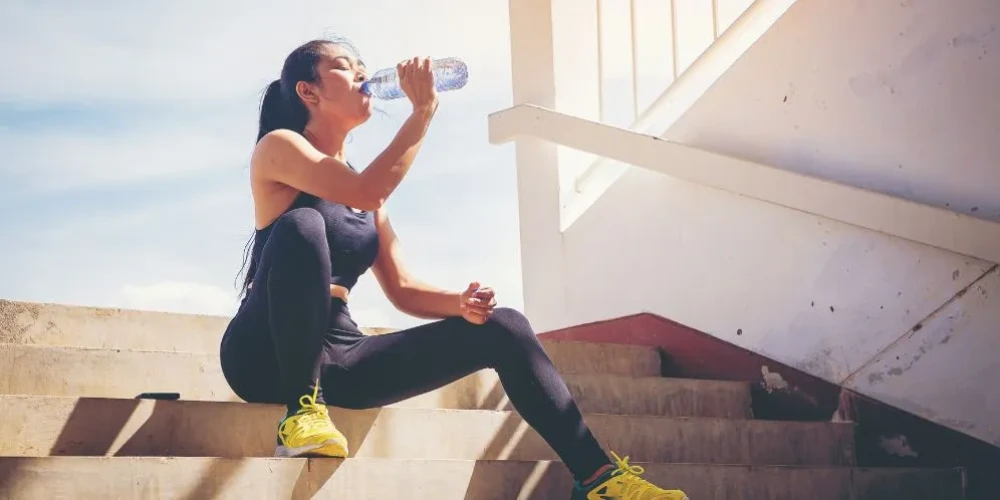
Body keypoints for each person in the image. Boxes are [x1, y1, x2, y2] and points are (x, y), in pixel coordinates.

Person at [218, 38, 688, 500]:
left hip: (342, 354)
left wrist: (460, 305)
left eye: (363, 65)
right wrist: (422, 112)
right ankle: (302, 410)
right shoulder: (279, 147)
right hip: (264, 349)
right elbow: (368, 191)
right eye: (345, 66)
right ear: (308, 91)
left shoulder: (365, 193)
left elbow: (403, 288)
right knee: (302, 223)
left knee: (504, 325)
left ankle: (599, 480)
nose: (362, 73)